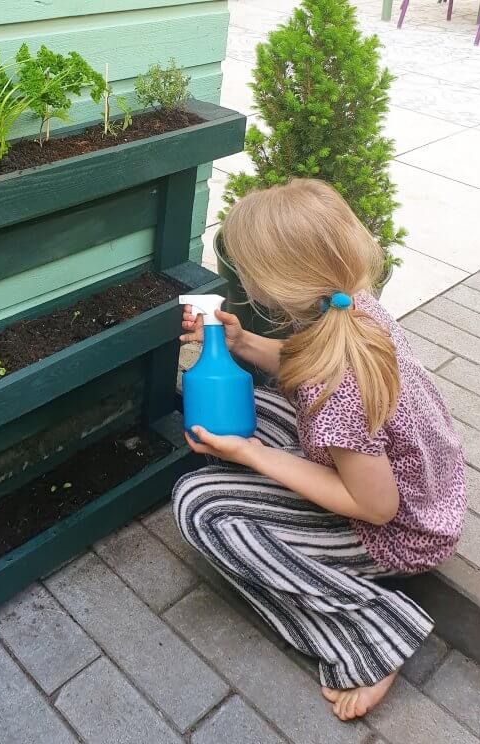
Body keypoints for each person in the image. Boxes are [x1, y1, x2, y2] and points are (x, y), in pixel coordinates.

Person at [175, 178, 465, 721]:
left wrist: (251, 457)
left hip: (398, 532)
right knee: (250, 407)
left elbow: (376, 508)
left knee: (200, 506)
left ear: (267, 287)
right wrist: (242, 344)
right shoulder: (354, 307)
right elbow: (303, 364)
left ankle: (374, 634)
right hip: (429, 491)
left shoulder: (336, 389)